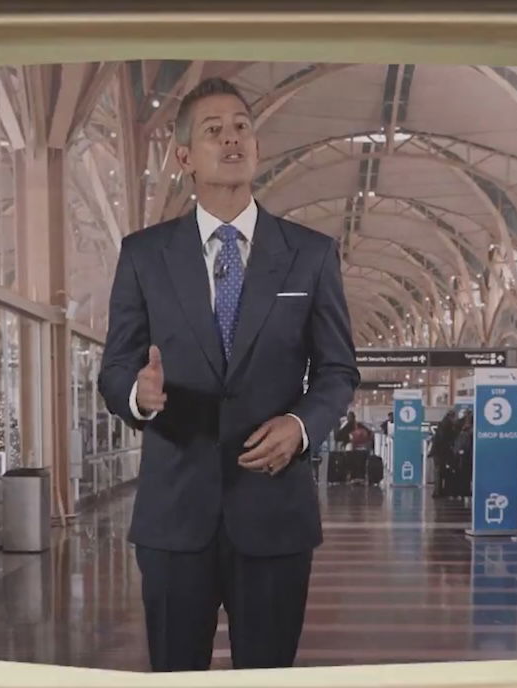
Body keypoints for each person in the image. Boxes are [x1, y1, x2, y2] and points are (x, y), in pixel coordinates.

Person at [98, 77, 359, 672]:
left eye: (242, 126)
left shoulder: (310, 255)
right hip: (174, 517)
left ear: (257, 148)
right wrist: (138, 393)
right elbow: (115, 367)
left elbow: (338, 369)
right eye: (213, 131)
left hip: (275, 515)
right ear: (185, 157)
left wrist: (301, 425)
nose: (232, 138)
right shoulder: (144, 255)